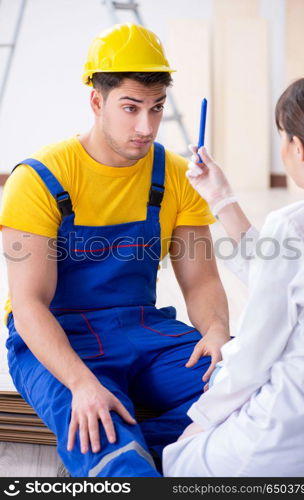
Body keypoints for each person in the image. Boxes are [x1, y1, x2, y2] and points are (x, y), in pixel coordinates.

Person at [0, 23, 230, 477]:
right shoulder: (41, 178)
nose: (146, 127)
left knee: (249, 393)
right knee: (107, 444)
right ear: (96, 101)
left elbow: (202, 280)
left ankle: (168, 447)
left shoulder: (178, 176)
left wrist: (218, 332)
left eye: (156, 108)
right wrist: (81, 384)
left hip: (146, 329)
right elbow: (28, 306)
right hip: (58, 338)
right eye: (130, 108)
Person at [162, 74, 304, 477]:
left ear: (297, 147)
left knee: (178, 457)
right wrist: (221, 198)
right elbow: (285, 279)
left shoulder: (295, 225)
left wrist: (203, 418)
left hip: (290, 434)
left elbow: (253, 352)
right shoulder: (299, 228)